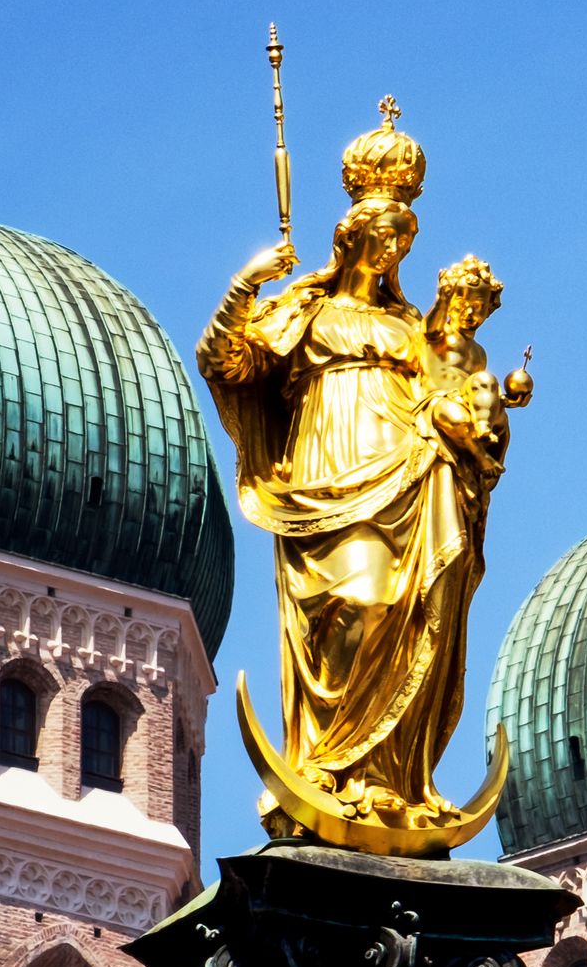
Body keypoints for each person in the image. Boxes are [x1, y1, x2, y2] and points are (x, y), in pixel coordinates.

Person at [198, 102, 519, 835]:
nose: (391, 253)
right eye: (380, 238)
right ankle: (326, 764)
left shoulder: (416, 328)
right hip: (329, 472)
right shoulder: (303, 315)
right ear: (353, 239)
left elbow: (460, 397)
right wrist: (246, 285)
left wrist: (483, 421)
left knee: (415, 610)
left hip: (412, 475)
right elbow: (226, 361)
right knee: (360, 602)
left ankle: (393, 781)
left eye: (401, 240)